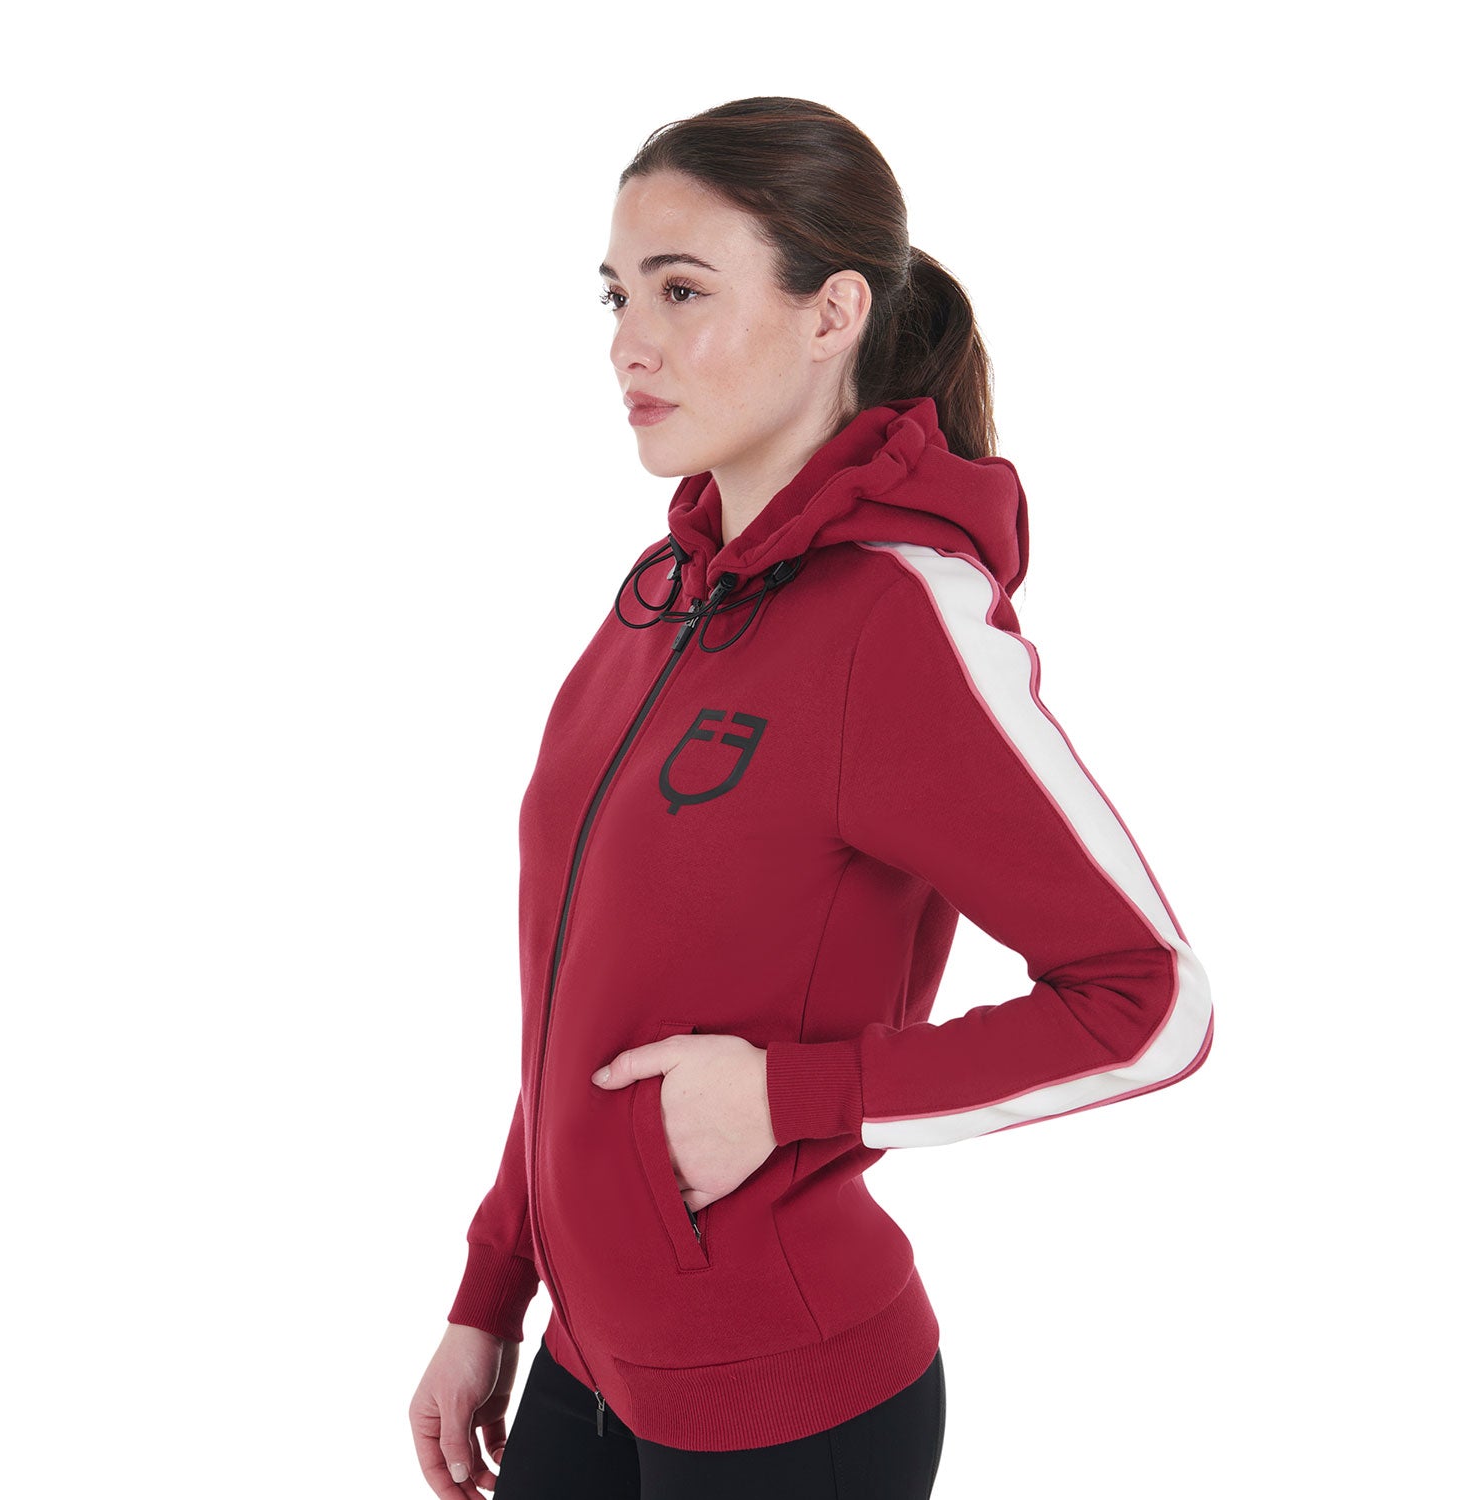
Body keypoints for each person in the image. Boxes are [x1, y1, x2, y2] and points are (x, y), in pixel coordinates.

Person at [408, 95, 1213, 1499]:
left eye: (682, 291)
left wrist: (793, 1099)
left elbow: (1152, 1000)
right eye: (617, 294)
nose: (629, 344)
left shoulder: (900, 621)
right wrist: (492, 1291)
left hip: (791, 1401)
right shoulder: (663, 595)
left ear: (834, 312)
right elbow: (580, 1001)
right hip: (588, 1369)